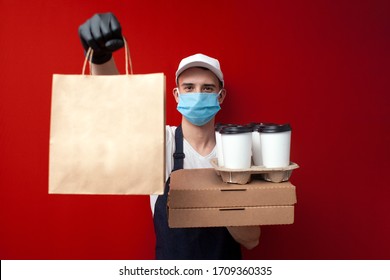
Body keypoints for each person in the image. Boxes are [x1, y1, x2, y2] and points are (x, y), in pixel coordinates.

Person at [78, 12, 260, 260]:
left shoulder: (240, 149)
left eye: (207, 88)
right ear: (176, 95)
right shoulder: (161, 142)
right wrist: (101, 58)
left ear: (221, 96)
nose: (198, 94)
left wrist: (225, 203)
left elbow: (251, 239)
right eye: (189, 88)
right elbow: (117, 115)